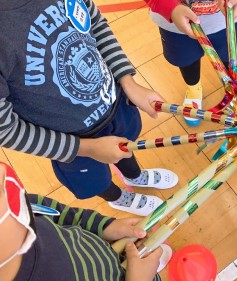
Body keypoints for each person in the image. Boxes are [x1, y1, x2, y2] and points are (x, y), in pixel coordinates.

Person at [0, 0, 179, 216]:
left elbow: (93, 22)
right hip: (72, 143)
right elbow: (6, 130)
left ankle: (135, 176)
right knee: (96, 182)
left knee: (127, 149)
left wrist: (127, 80)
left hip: (115, 104)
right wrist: (87, 148)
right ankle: (118, 198)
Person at [0, 162, 172, 281]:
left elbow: (58, 213)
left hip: (106, 253)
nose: (2, 171)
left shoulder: (14, 202)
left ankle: (144, 263)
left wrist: (104, 226)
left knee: (147, 255)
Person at [145, 0, 237, 126]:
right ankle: (194, 89)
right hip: (175, 23)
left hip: (229, 16)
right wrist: (169, 7)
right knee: (186, 59)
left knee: (232, 58)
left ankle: (235, 90)